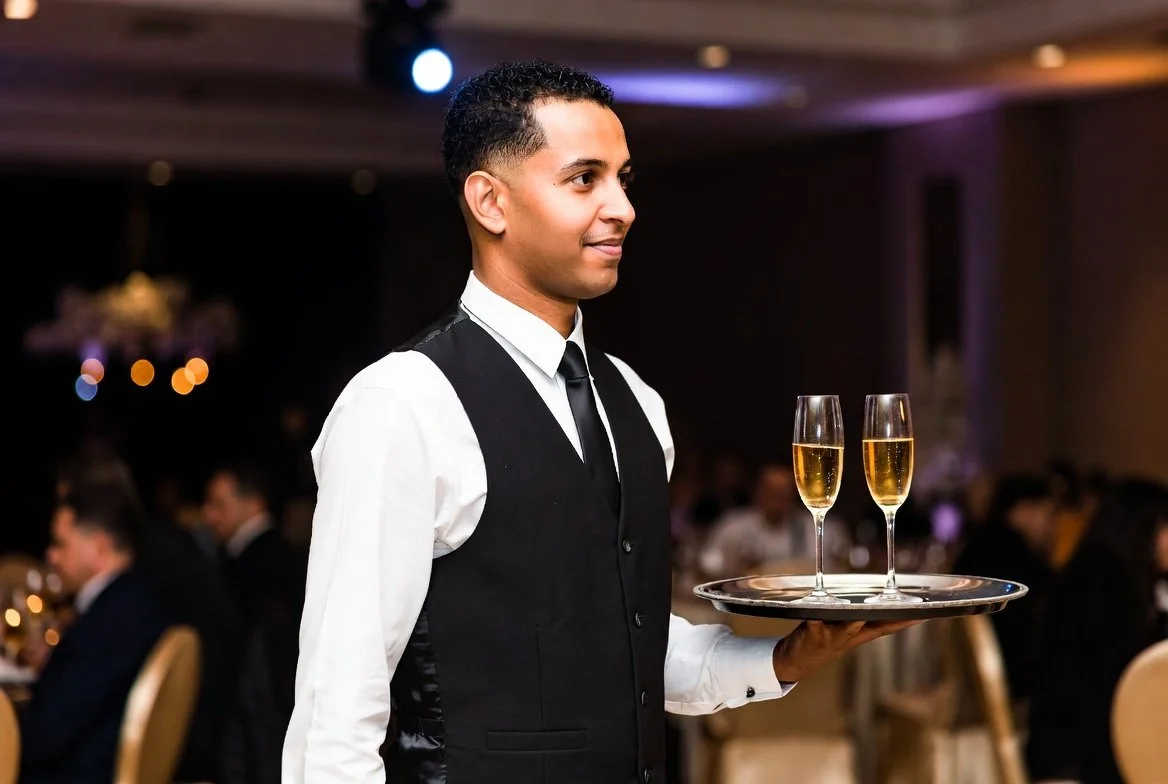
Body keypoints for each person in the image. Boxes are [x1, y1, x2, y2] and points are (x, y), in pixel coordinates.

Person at [281, 59, 914, 784]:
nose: (623, 208)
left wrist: (784, 656)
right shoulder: (402, 403)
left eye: (623, 178)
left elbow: (626, 648)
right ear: (490, 202)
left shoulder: (638, 402)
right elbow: (336, 713)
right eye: (585, 179)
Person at [18, 476, 169, 783]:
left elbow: (45, 736)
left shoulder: (111, 622)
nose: (51, 556)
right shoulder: (136, 599)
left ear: (98, 547)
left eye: (61, 544)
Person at [1026, 478, 1168, 784]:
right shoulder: (1104, 584)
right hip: (1083, 757)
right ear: (1143, 528)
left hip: (1067, 742)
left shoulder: (1094, 570)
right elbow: (1129, 678)